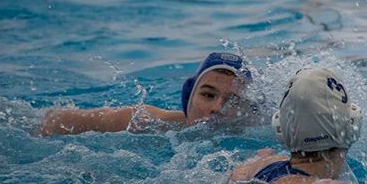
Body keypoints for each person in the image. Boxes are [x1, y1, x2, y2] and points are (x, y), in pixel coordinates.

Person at [230, 67, 366, 184]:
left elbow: (245, 181)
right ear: (353, 124)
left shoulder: (267, 163)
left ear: (280, 129)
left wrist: (258, 159)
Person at [40, 52, 251, 135]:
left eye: (232, 101)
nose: (217, 108)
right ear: (189, 97)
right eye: (208, 95)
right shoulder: (146, 121)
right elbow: (56, 120)